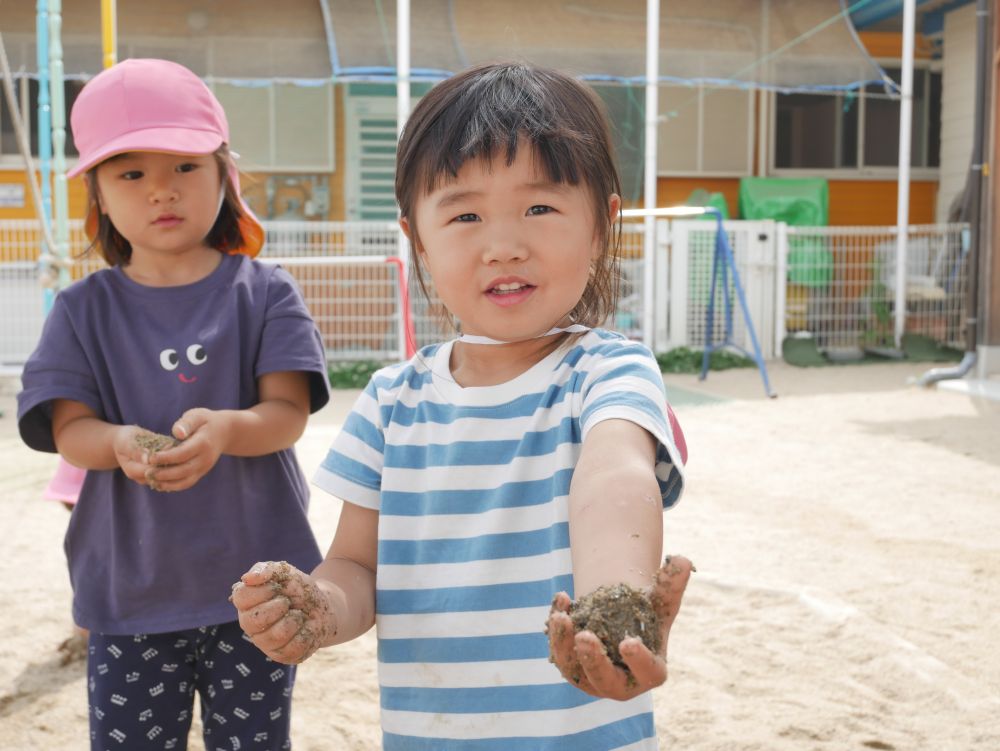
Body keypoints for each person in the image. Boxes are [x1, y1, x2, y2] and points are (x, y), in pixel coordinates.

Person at [232, 61, 693, 750]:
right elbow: (357, 567)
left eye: (540, 207)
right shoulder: (391, 402)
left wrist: (614, 607)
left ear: (602, 225)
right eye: (465, 214)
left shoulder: (606, 371)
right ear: (418, 237)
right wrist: (318, 611)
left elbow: (616, 477)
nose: (503, 245)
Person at [16, 58, 330, 751]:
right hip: (132, 592)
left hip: (258, 595)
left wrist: (225, 429)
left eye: (185, 166)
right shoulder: (81, 310)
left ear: (225, 173)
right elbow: (70, 430)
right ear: (97, 193)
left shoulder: (265, 292)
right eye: (131, 173)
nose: (162, 189)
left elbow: (287, 412)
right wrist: (118, 441)